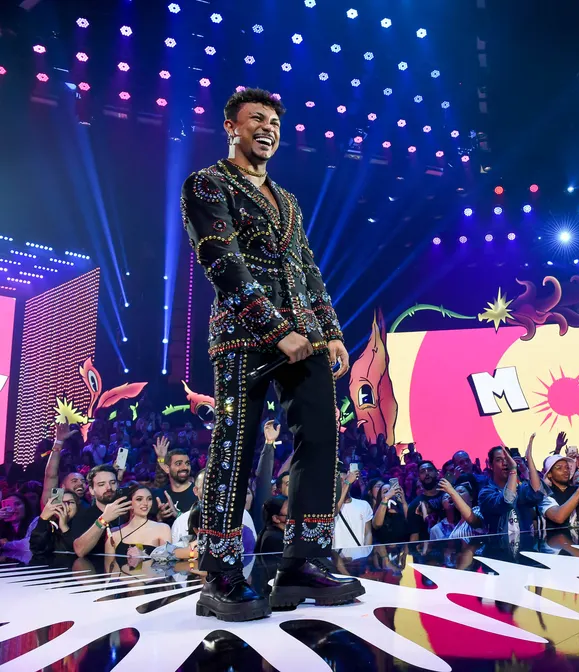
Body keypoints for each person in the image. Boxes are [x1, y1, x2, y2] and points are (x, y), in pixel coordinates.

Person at [180, 87, 362, 621]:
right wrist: (275, 328)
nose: (268, 129)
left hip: (304, 340)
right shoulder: (207, 183)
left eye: (275, 122)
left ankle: (301, 563)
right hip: (244, 338)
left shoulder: (288, 201)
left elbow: (307, 269)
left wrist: (330, 331)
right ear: (232, 127)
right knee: (236, 446)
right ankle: (220, 573)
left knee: (321, 439)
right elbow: (221, 261)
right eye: (256, 119)